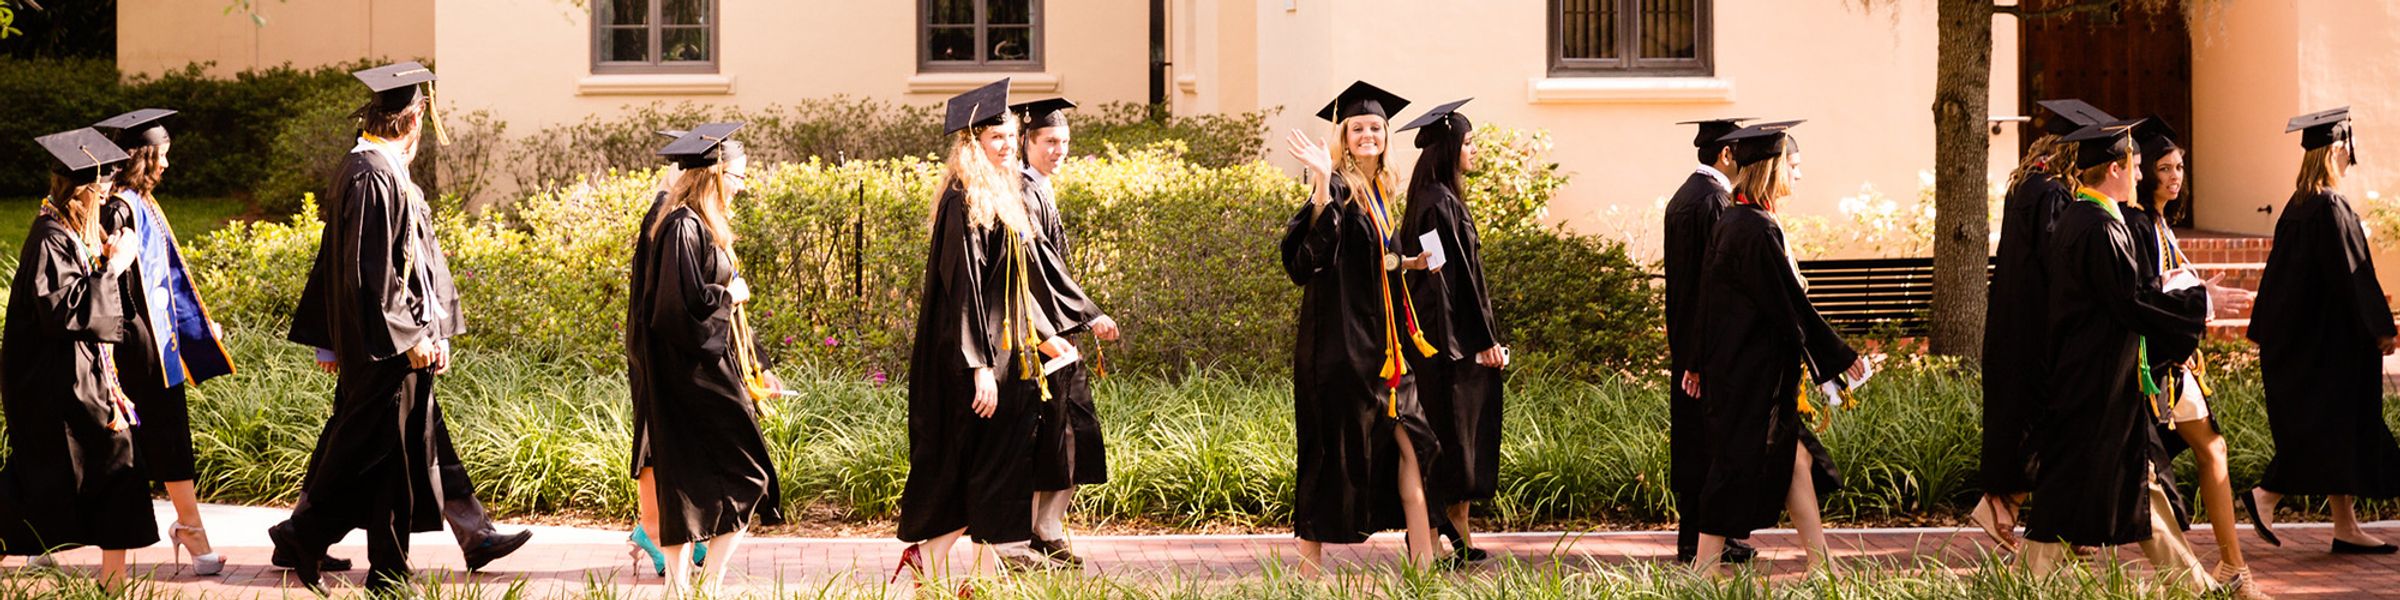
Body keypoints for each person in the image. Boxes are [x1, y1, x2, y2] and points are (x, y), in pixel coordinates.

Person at [269, 61, 471, 594]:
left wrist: (435, 328)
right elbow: (370, 273)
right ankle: (305, 538)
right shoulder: (370, 175)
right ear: (416, 116)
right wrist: (412, 339)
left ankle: (384, 568)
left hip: (389, 343)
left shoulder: (377, 170)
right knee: (365, 453)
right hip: (385, 348)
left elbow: (410, 262)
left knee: (388, 459)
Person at [2017, 119, 2214, 594]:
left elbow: (2127, 296)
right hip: (2095, 381)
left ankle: (2193, 585)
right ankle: (2028, 581)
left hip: (2101, 375)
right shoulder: (2100, 226)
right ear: (2114, 167)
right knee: (2069, 486)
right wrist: (2195, 303)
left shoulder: (2084, 218)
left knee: (2138, 483)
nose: (2142, 173)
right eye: (2138, 163)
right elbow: (2129, 302)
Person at [895, 78, 1064, 586]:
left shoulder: (1001, 195)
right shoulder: (962, 200)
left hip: (1007, 353)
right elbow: (965, 292)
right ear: (972, 143)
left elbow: (1014, 282)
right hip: (972, 357)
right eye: (997, 138)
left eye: (1011, 137)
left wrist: (1043, 334)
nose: (1008, 145)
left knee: (1001, 467)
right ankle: (944, 565)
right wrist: (980, 368)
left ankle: (976, 578)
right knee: (978, 465)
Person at [1682, 120, 1863, 575]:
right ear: (1771, 167)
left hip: (1741, 368)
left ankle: (1821, 565)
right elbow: (1790, 306)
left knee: (1795, 458)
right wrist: (1839, 358)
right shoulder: (1755, 229)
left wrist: (1699, 361)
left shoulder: (1735, 219)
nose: (1798, 175)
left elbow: (1708, 299)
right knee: (1731, 466)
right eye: (1793, 165)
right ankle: (1704, 570)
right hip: (1751, 374)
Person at [1279, 80, 1441, 576]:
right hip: (1342, 353)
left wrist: (1407, 262)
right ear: (1343, 136)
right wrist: (1325, 185)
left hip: (1387, 352)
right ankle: (1308, 573)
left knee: (1418, 444)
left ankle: (1425, 567)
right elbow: (1310, 261)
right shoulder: (1340, 190)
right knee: (1331, 453)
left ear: (1386, 135)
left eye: (1376, 127)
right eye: (1357, 129)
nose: (1368, 135)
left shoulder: (1379, 189)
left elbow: (1373, 258)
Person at [2122, 118, 2272, 599]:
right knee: (2158, 469)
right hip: (2154, 367)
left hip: (2176, 364)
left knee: (2213, 451)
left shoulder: (2159, 222)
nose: (2174, 176)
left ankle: (2233, 566)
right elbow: (2146, 296)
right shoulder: (2139, 224)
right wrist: (2200, 299)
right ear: (2144, 172)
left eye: (2180, 167)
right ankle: (2224, 570)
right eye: (2163, 168)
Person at [634, 122, 786, 596]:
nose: (740, 187)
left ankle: (695, 587)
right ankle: (694, 586)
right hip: (691, 376)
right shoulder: (682, 225)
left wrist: (758, 364)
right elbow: (674, 310)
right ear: (714, 175)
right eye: (737, 177)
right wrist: (728, 295)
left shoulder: (699, 224)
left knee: (707, 480)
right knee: (744, 472)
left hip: (703, 369)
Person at [0, 128, 154, 592]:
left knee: (110, 468)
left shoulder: (65, 232)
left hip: (77, 378)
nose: (108, 196)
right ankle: (111, 585)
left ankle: (112, 585)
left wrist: (105, 259)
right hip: (53, 385)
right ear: (85, 191)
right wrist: (115, 266)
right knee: (41, 481)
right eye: (103, 188)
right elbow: (65, 313)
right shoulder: (50, 236)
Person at [2245, 106, 2400, 556]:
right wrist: (2381, 329)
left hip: (2303, 344)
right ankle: (2265, 496)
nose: (2350, 161)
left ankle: (2345, 526)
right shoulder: (2331, 207)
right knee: (2331, 429)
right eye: (2348, 153)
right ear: (2335, 151)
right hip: (2331, 347)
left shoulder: (2299, 206)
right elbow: (2353, 275)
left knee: (2339, 429)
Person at [89, 108, 236, 577]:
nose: (168, 165)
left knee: (171, 435)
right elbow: (112, 279)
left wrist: (197, 325)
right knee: (133, 444)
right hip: (132, 344)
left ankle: (192, 531)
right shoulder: (118, 206)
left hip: (159, 342)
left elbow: (166, 277)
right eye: (163, 156)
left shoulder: (143, 201)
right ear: (143, 156)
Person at [1972, 98, 2116, 548]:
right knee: (2047, 421)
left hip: (2011, 321)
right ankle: (2012, 506)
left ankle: (2004, 505)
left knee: (2018, 417)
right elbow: (2059, 264)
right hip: (2038, 327)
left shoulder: (2026, 185)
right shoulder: (2053, 193)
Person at [1010, 96, 1121, 569]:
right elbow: (1038, 269)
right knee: (1052, 434)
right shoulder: (1020, 191)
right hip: (1041, 331)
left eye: (1065, 142)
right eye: (1050, 141)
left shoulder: (1040, 188)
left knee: (1073, 432)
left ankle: (1046, 529)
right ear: (1026, 142)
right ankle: (1038, 531)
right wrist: (1086, 313)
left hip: (1058, 326)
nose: (1059, 150)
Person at [1396, 98, 1507, 568]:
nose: (1474, 150)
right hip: (1449, 346)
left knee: (1457, 441)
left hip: (1446, 341)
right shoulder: (1439, 205)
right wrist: (1481, 342)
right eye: (1468, 143)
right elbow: (1451, 278)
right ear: (1448, 150)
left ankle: (1455, 530)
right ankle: (1441, 532)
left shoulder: (1435, 199)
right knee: (1454, 440)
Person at [1659, 115, 1758, 566]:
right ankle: (1711, 539)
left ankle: (1691, 537)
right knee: (1715, 441)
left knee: (1692, 442)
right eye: (1739, 149)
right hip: (1708, 343)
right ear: (1725, 154)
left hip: (1685, 338)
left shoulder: (1683, 196)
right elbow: (1717, 281)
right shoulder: (1716, 200)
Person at [628, 128, 711, 575]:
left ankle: (672, 528)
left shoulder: (684, 212)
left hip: (668, 341)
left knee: (671, 437)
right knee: (654, 438)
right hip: (655, 343)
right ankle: (652, 528)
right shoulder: (666, 214)